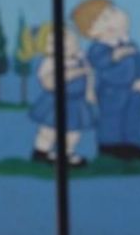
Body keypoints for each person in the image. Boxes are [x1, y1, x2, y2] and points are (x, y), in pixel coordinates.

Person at [72, 0, 140, 161]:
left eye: (113, 11)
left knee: (133, 117)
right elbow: (98, 62)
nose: (117, 15)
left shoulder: (129, 44)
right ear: (93, 31)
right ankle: (110, 146)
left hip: (133, 90)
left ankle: (133, 145)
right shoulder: (99, 48)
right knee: (111, 118)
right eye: (106, 16)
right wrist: (114, 56)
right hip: (111, 92)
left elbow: (139, 63)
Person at [28, 23, 95, 168]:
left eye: (68, 39)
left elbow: (89, 74)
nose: (62, 45)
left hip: (77, 102)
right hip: (56, 102)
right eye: (52, 43)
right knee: (49, 129)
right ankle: (41, 151)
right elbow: (49, 83)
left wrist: (90, 92)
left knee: (73, 131)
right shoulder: (49, 62)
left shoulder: (80, 58)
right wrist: (73, 72)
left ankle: (66, 153)